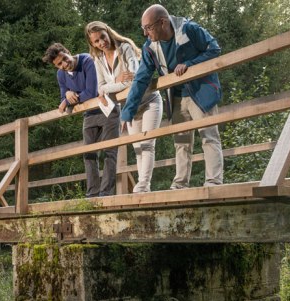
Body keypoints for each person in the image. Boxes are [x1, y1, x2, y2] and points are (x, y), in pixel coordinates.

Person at [120, 4, 224, 189]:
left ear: (163, 22)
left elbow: (214, 48)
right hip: (176, 97)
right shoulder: (149, 48)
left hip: (201, 92)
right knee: (181, 142)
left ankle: (213, 182)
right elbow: (141, 80)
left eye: (148, 28)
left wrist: (189, 64)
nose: (145, 33)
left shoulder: (189, 29)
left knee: (208, 136)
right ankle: (180, 184)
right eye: (143, 29)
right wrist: (127, 113)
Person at [85, 21, 163, 193]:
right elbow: (100, 86)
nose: (101, 43)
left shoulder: (125, 48)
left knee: (148, 143)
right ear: (92, 44)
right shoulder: (98, 58)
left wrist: (107, 87)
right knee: (137, 147)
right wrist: (112, 84)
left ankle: (143, 185)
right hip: (130, 108)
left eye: (102, 37)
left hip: (149, 101)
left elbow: (130, 82)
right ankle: (143, 186)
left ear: (108, 32)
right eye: (96, 41)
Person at [42, 42, 119, 198]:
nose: (64, 64)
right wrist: (67, 96)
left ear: (67, 51)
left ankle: (106, 194)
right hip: (89, 114)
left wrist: (70, 98)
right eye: (59, 64)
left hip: (107, 109)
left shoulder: (87, 60)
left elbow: (91, 92)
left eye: (64, 58)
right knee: (88, 154)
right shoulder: (61, 75)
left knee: (109, 152)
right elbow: (64, 100)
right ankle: (93, 194)